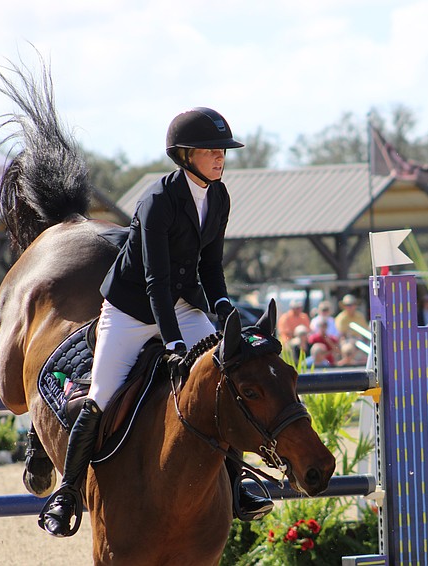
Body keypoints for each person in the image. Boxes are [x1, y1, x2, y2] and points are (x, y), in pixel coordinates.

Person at [37, 108, 273, 537]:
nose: (220, 158)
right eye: (211, 150)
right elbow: (154, 281)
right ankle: (68, 492)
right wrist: (174, 343)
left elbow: (211, 267)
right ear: (185, 155)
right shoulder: (158, 201)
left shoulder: (218, 196)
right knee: (102, 395)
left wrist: (222, 309)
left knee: (225, 375)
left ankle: (238, 482)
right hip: (130, 311)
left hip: (181, 305)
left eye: (223, 151)